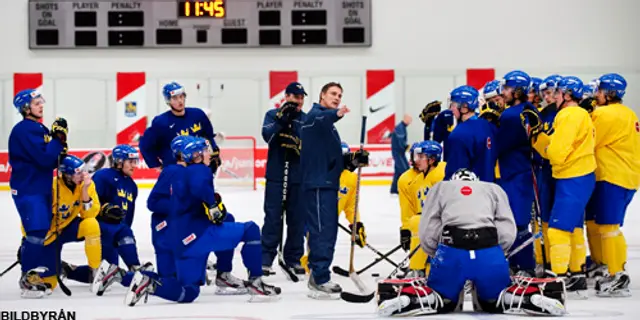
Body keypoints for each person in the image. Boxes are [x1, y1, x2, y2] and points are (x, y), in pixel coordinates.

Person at [376, 169, 566, 317]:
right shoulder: (493, 188)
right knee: (493, 300)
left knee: (443, 299)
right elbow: (508, 229)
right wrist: (498, 253)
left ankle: (411, 299)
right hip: (488, 250)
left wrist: (435, 252)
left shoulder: (441, 187)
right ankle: (527, 298)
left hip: (452, 251)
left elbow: (427, 227)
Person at [124, 137, 280, 306]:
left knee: (189, 291)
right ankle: (255, 283)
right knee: (251, 230)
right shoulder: (197, 169)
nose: (209, 153)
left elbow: (188, 197)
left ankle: (149, 284)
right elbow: (190, 190)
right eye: (205, 150)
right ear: (195, 155)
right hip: (193, 234)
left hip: (181, 241)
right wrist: (212, 204)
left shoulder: (181, 172)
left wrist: (207, 204)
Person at [522, 76, 596, 297]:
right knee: (571, 227)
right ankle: (576, 274)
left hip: (573, 177)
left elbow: (554, 153)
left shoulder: (568, 115)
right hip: (577, 176)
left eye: (558, 93)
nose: (553, 96)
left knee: (558, 229)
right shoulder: (578, 114)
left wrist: (541, 140)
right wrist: (539, 136)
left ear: (567, 95)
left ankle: (558, 277)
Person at [147, 135, 247, 294]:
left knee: (226, 220)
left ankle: (223, 273)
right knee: (169, 281)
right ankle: (125, 275)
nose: (204, 152)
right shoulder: (172, 171)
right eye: (200, 150)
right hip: (166, 231)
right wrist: (183, 206)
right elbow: (153, 203)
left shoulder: (197, 171)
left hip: (188, 226)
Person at [300, 82, 358, 299]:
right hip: (317, 184)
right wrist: (338, 114)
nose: (337, 98)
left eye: (340, 95)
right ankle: (319, 277)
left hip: (326, 183)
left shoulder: (327, 124)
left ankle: (320, 273)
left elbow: (329, 156)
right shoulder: (315, 117)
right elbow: (321, 119)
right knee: (322, 231)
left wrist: (350, 161)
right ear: (322, 95)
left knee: (329, 231)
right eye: (333, 94)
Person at [9, 89, 68, 298]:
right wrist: (57, 140)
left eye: (41, 101)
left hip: (40, 187)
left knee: (40, 230)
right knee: (37, 231)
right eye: (36, 103)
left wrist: (60, 144)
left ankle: (30, 262)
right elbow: (44, 159)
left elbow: (53, 160)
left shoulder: (39, 128)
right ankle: (28, 275)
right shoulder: (24, 130)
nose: (41, 105)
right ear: (26, 108)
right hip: (28, 188)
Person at [586, 73, 639, 297]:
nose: (595, 95)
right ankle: (602, 263)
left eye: (599, 91)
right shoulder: (628, 113)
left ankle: (617, 273)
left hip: (613, 175)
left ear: (609, 94)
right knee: (598, 224)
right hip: (624, 174)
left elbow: (589, 139)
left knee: (608, 226)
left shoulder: (605, 114)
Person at [27, 155, 101, 291]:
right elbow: (30, 217)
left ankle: (95, 272)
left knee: (91, 224)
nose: (83, 175)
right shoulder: (51, 187)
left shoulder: (87, 185)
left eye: (83, 170)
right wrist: (32, 241)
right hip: (50, 234)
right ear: (66, 175)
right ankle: (57, 269)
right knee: (51, 283)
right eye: (78, 172)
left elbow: (90, 214)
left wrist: (84, 190)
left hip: (68, 227)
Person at [300, 141, 370, 273]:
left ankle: (318, 268)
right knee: (317, 242)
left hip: (330, 220)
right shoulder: (320, 173)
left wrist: (356, 224)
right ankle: (311, 265)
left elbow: (350, 206)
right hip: (311, 216)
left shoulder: (351, 179)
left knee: (327, 248)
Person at [260, 82, 307, 278]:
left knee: (297, 220)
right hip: (277, 175)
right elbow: (267, 136)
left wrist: (299, 145)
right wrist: (281, 121)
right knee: (273, 218)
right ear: (286, 96)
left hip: (298, 176)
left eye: (301, 97)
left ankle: (294, 258)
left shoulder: (305, 119)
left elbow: (310, 144)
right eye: (295, 97)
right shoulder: (273, 114)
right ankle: (265, 258)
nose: (299, 101)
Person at [90, 145, 150, 295]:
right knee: (103, 270)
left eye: (135, 161)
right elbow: (90, 202)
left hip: (119, 230)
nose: (134, 165)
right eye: (130, 161)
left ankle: (69, 270)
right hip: (101, 227)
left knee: (107, 270)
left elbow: (129, 215)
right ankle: (135, 267)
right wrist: (104, 209)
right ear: (118, 161)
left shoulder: (132, 185)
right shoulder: (102, 176)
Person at [494, 70, 537, 275]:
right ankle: (522, 264)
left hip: (514, 174)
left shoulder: (511, 115)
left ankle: (523, 266)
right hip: (522, 171)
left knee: (517, 223)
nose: (503, 92)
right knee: (519, 222)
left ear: (518, 91)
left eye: (507, 88)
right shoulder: (528, 109)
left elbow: (498, 145)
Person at [139, 81, 219, 170]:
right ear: (168, 101)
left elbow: (209, 136)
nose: (180, 101)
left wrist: (215, 153)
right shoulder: (161, 122)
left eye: (181, 96)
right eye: (175, 98)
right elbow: (145, 145)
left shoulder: (198, 114)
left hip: (198, 167)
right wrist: (155, 164)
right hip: (175, 170)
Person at [397, 140, 445, 278]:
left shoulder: (443, 173)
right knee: (416, 222)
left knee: (418, 221)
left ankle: (417, 270)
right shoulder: (417, 180)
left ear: (432, 159)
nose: (416, 160)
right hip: (430, 225)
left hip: (445, 222)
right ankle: (419, 268)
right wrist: (405, 229)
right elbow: (410, 208)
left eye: (421, 157)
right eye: (416, 156)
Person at [443, 85, 496, 182]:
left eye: (453, 105)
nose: (451, 109)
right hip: (490, 189)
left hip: (469, 192)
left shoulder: (458, 134)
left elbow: (455, 171)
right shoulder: (488, 126)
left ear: (464, 107)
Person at [390, 114, 413, 195]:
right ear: (405, 119)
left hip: (399, 152)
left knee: (398, 171)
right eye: (410, 119)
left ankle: (394, 190)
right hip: (398, 153)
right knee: (405, 170)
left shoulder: (401, 127)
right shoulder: (400, 127)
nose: (410, 122)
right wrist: (406, 147)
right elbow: (401, 141)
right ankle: (406, 189)